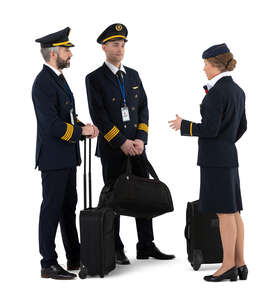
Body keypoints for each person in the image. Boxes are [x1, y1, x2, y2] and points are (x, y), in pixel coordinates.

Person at [85, 23, 175, 265]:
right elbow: (99, 115)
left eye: (123, 44)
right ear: (104, 47)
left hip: (137, 148)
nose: (120, 48)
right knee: (114, 197)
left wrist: (140, 140)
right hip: (113, 149)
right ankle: (115, 247)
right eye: (115, 44)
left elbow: (144, 109)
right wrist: (121, 141)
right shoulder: (94, 78)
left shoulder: (133, 75)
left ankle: (146, 244)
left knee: (144, 195)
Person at [169, 43, 248, 282]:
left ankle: (227, 266)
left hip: (215, 160)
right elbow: (242, 126)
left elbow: (210, 129)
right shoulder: (237, 90)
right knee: (233, 212)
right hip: (229, 157)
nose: (203, 68)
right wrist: (226, 141)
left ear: (215, 63)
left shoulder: (217, 92)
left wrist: (184, 125)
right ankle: (240, 264)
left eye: (205, 63)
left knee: (224, 214)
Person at [32, 27, 99, 280]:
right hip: (53, 157)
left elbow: (66, 116)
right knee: (52, 208)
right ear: (53, 53)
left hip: (66, 156)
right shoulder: (42, 83)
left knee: (68, 206)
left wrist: (84, 127)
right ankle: (48, 263)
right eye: (66, 49)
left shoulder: (58, 78)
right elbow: (51, 125)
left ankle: (75, 256)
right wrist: (79, 133)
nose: (70, 54)